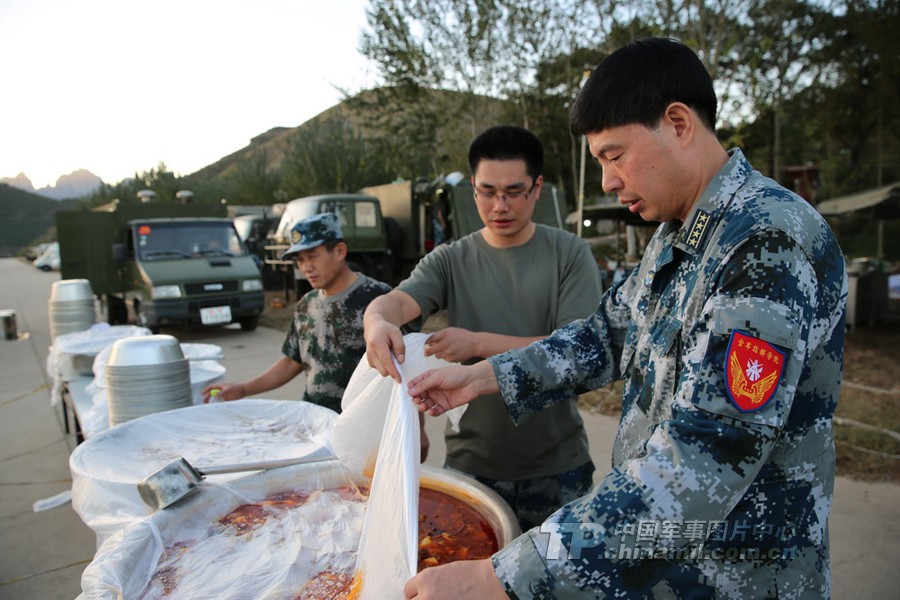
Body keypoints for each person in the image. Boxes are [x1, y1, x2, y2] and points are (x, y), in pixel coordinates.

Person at [400, 38, 848, 599]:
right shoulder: (678, 235)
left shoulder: (765, 240)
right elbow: (608, 334)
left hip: (739, 576)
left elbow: (706, 454)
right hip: (664, 567)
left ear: (679, 124)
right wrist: (480, 377)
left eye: (615, 155)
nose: (609, 181)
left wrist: (501, 578)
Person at [364, 125, 603, 531]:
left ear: (537, 187)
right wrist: (376, 320)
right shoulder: (450, 260)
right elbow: (397, 303)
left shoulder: (569, 254)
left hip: (557, 466)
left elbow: (579, 348)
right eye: (487, 192)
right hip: (471, 464)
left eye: (513, 192)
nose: (499, 206)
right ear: (472, 187)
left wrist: (477, 342)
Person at [202, 212, 391, 413]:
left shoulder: (380, 299)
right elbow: (292, 361)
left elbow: (405, 367)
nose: (306, 267)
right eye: (300, 260)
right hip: (315, 419)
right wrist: (243, 389)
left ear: (339, 251)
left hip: (364, 423)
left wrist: (415, 427)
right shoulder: (306, 305)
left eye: (312, 256)